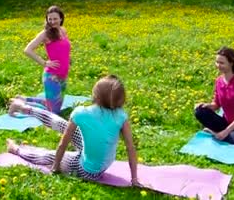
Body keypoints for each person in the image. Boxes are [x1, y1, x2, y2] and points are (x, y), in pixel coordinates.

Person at [7, 75, 139, 185]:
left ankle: (16, 149)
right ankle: (23, 107)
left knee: (49, 156)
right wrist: (134, 179)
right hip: (101, 163)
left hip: (87, 171)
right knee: (63, 125)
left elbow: (63, 144)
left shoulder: (81, 113)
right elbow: (130, 148)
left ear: (96, 95)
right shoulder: (121, 115)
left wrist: (56, 165)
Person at [194, 47, 234, 147]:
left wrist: (226, 131)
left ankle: (217, 134)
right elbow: (216, 104)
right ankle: (225, 135)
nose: (218, 66)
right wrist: (206, 106)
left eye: (222, 63)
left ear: (231, 63)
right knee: (200, 111)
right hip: (226, 123)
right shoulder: (219, 81)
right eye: (217, 62)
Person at [21, 5, 71, 114]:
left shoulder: (63, 30)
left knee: (54, 106)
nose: (52, 22)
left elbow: (64, 50)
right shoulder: (45, 34)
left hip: (63, 75)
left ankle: (24, 99)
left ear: (61, 18)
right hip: (52, 76)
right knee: (54, 112)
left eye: (55, 19)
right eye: (50, 19)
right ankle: (20, 105)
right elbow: (27, 50)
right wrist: (44, 63)